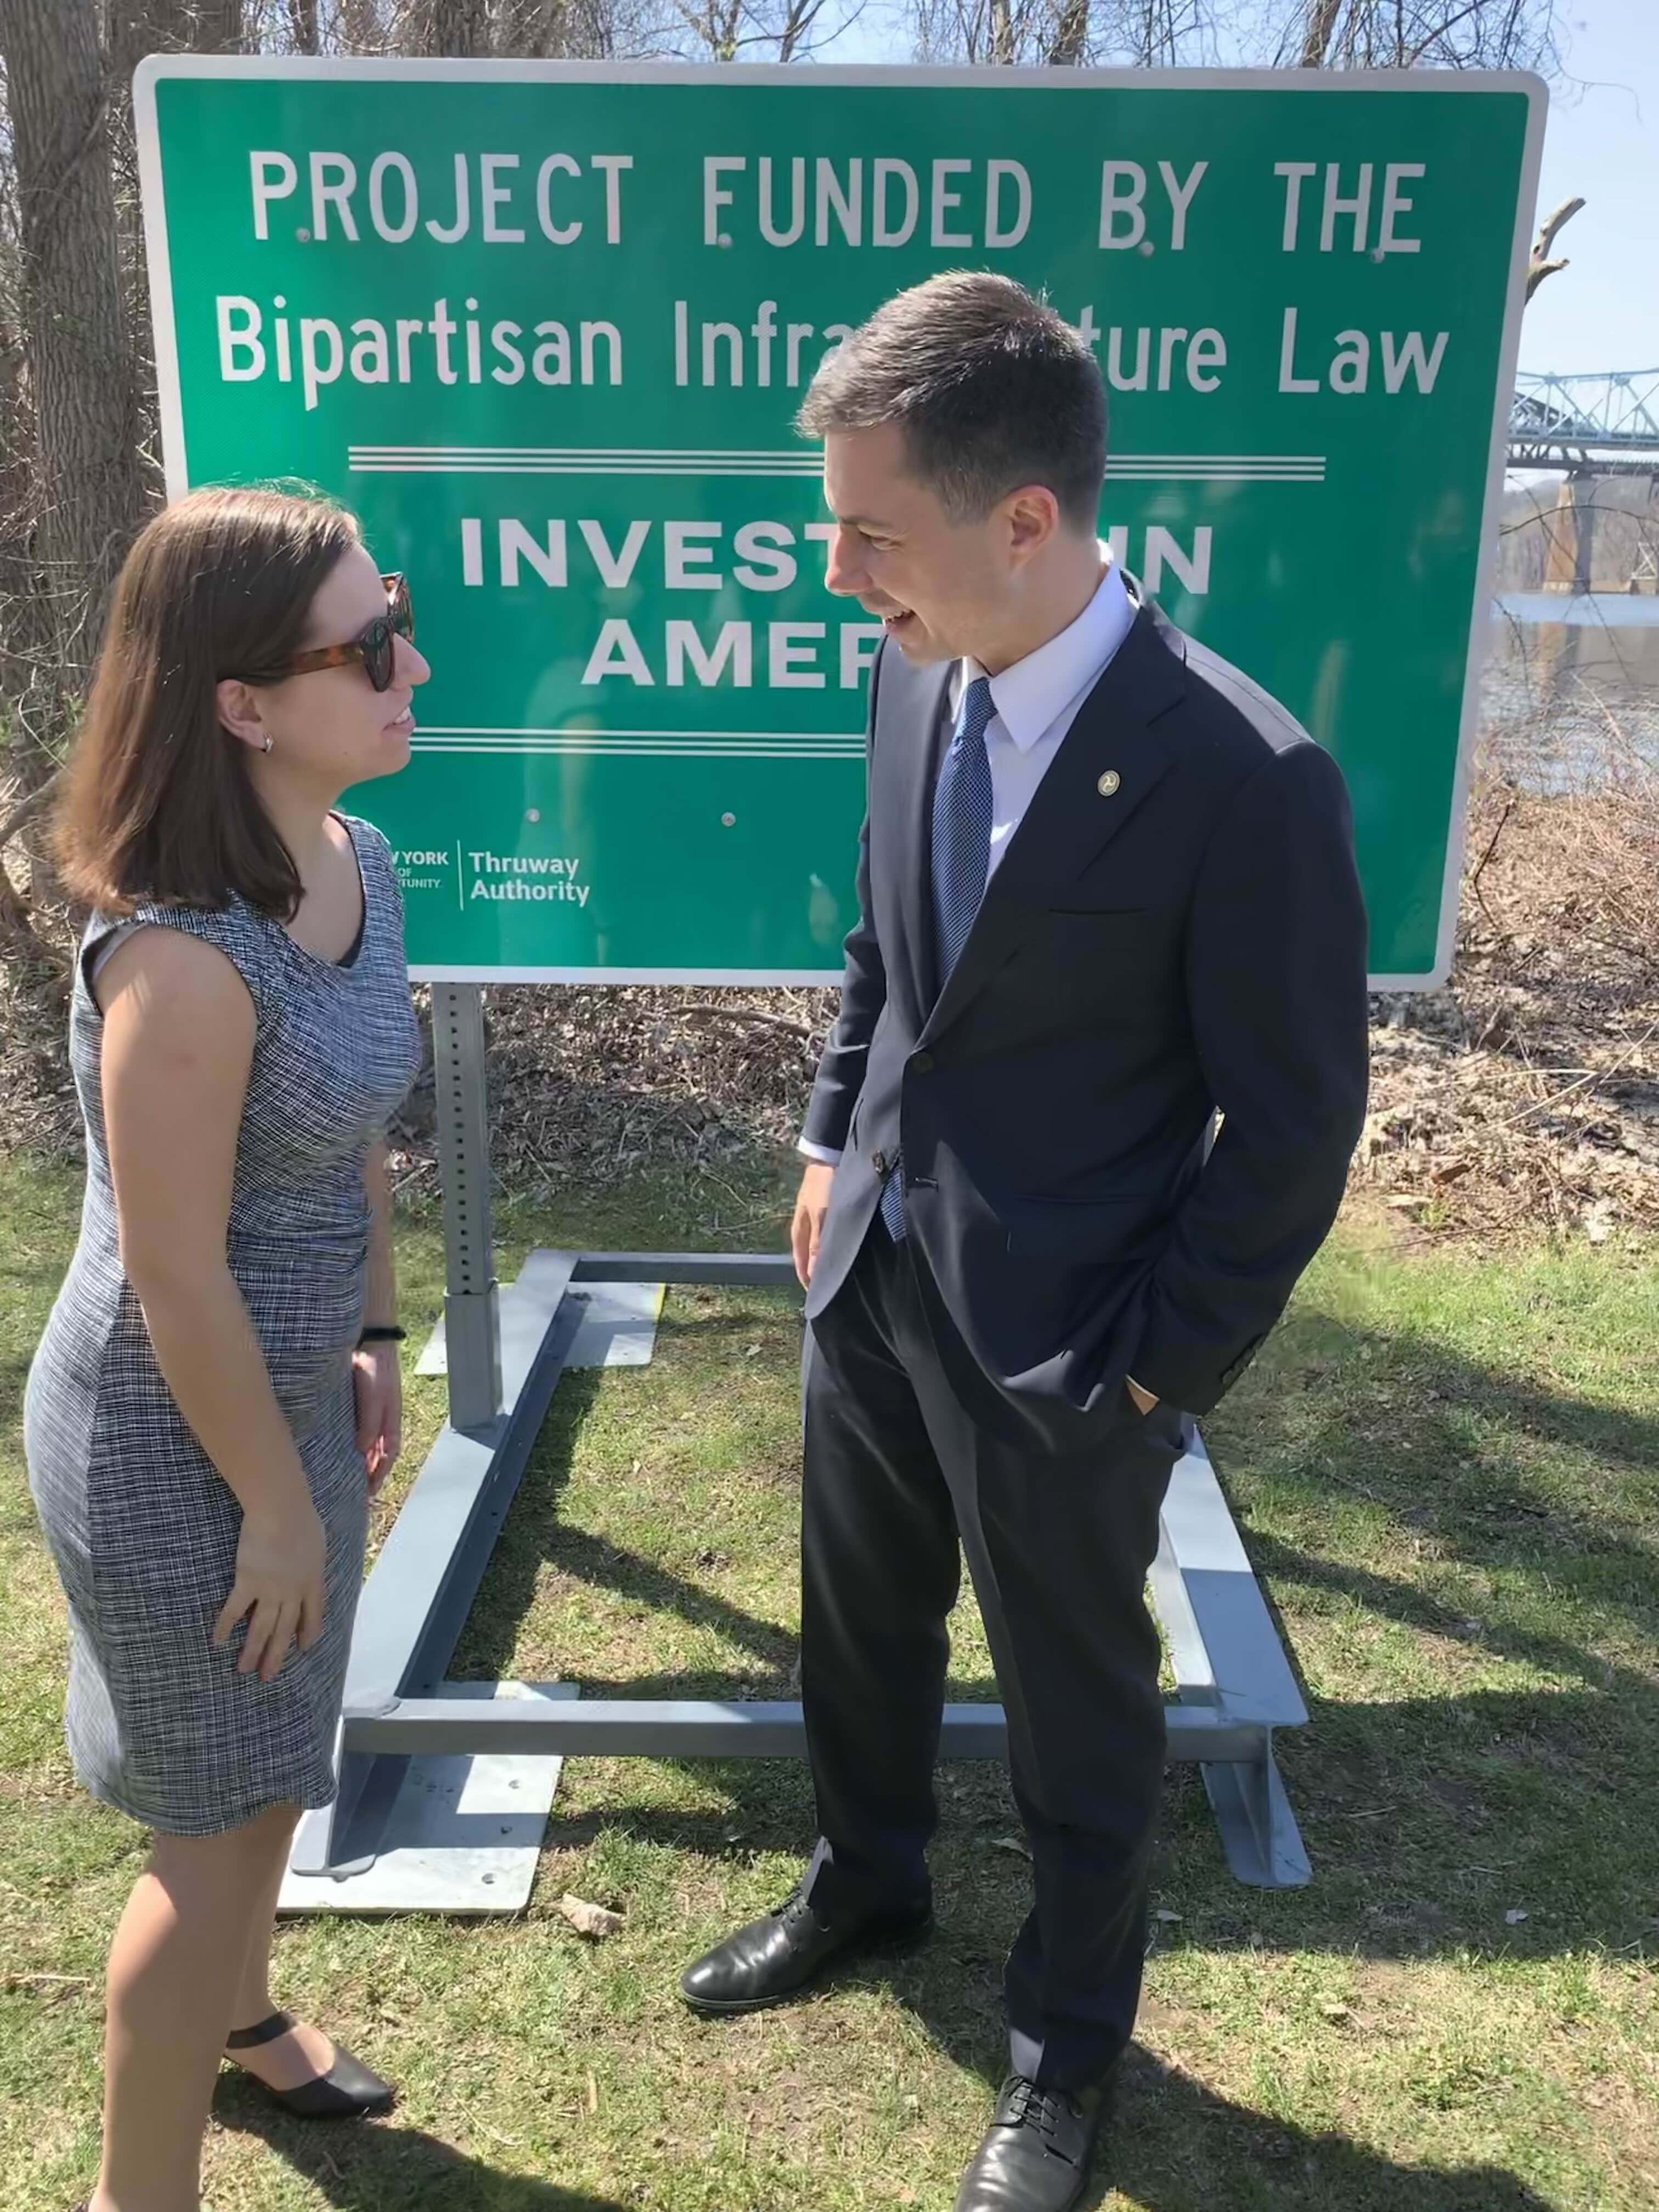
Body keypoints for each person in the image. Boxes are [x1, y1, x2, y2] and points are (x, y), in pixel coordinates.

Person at [679, 274, 1371, 2212]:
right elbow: (884, 954)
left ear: (1026, 521)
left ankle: (1067, 2055)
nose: (841, 577)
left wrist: (1159, 1368)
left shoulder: (1247, 776)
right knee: (858, 1624)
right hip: (875, 1277)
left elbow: (1297, 1128)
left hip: (1076, 1345)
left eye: (870, 533)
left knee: (1081, 1714)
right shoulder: (917, 668)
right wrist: (833, 1134)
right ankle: (866, 1884)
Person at [24, 486, 428, 2212]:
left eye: (395, 615)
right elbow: (175, 1276)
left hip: (284, 1396)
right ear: (245, 706)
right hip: (172, 1433)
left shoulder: (358, 859)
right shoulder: (182, 963)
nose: (415, 664)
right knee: (219, 1831)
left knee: (269, 1774)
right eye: (369, 646)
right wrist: (271, 1501)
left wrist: (378, 1329)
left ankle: (250, 2020)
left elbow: (349, 1139)